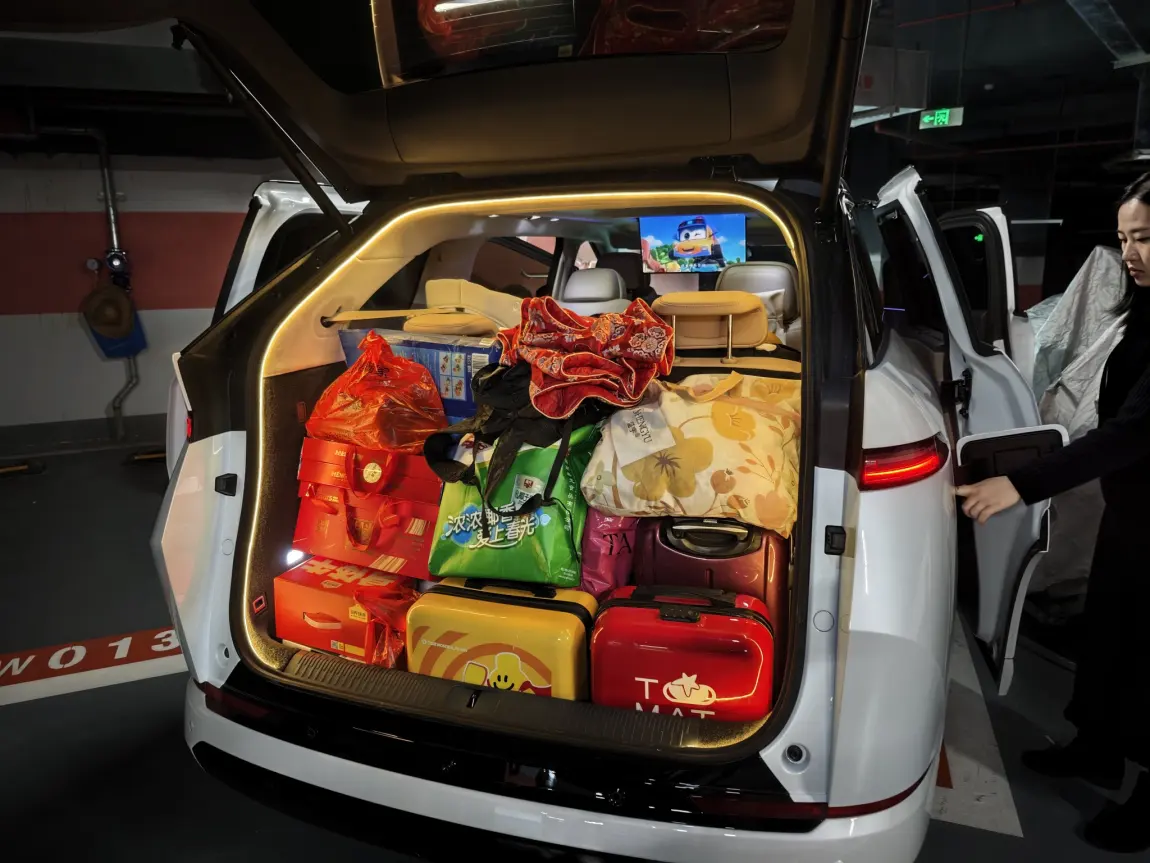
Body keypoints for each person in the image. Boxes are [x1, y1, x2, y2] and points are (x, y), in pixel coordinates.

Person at [956, 172, 1150, 854]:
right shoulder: (1143, 308)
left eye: (1145, 237)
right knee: (1110, 637)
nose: (1130, 254)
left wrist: (1021, 484)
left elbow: (1132, 430)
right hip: (1132, 511)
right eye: (1123, 238)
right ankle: (1098, 748)